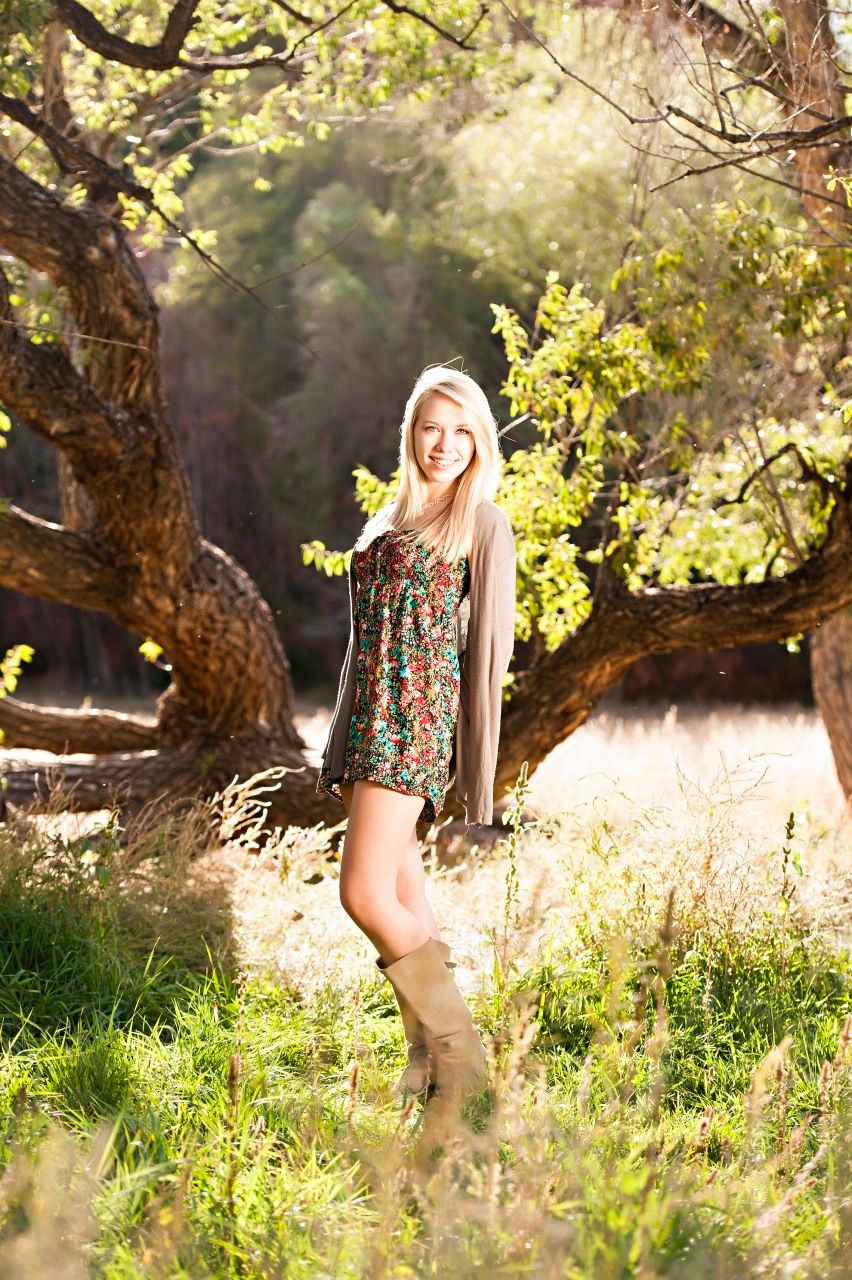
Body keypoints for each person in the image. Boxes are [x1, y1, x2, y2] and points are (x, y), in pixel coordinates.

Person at [316, 363, 517, 1107]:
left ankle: (463, 1062)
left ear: (479, 442)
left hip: (413, 718)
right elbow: (364, 637)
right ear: (412, 431)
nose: (446, 444)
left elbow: (488, 652)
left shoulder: (482, 522)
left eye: (463, 431)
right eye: (433, 427)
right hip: (373, 716)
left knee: (363, 892)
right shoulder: (391, 515)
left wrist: (477, 770)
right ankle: (428, 1061)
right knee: (402, 883)